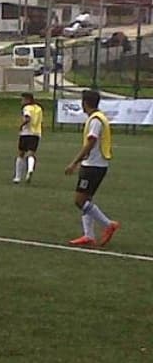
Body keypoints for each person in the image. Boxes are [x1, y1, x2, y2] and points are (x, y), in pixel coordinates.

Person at [64, 90, 120, 247]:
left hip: (93, 166)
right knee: (87, 200)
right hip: (97, 165)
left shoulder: (95, 120)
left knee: (79, 201)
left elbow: (91, 142)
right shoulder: (99, 117)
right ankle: (88, 235)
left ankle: (108, 224)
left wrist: (74, 162)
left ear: (85, 103)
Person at [14, 92, 43, 184]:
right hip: (36, 134)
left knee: (21, 154)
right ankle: (30, 170)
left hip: (26, 133)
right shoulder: (39, 108)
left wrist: (21, 125)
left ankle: (17, 177)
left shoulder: (27, 108)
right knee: (31, 154)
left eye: (22, 99)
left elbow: (27, 118)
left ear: (28, 100)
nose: (21, 101)